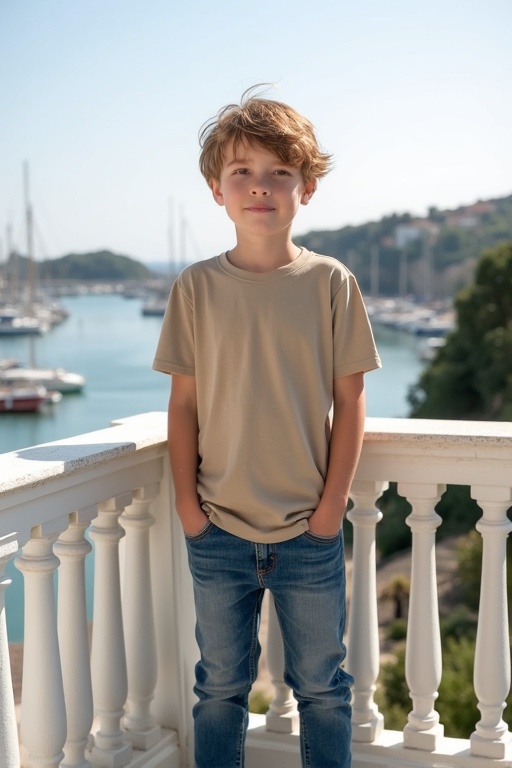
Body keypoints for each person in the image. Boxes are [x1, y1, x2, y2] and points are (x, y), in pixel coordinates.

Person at [153, 87, 381, 768]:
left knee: (323, 689)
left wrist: (330, 508)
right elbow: (183, 406)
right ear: (216, 189)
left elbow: (352, 402)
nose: (260, 188)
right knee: (219, 687)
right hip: (217, 530)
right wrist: (191, 511)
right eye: (241, 173)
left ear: (305, 188)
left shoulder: (331, 283)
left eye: (279, 172)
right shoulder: (194, 289)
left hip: (308, 533)